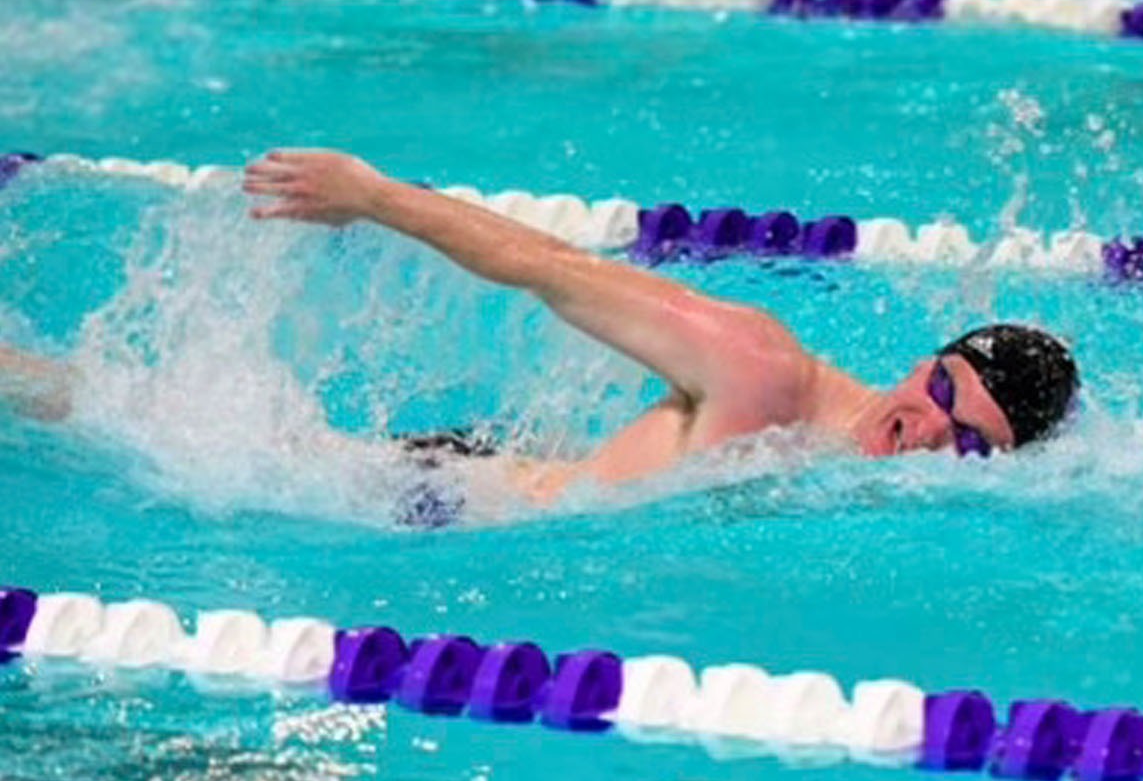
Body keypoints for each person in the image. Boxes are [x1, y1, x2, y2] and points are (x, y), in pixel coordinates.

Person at [3, 150, 1080, 525]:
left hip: (489, 492)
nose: (928, 431)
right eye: (944, 394)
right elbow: (550, 268)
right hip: (421, 497)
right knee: (104, 412)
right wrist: (373, 196)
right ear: (929, 361)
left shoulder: (869, 486)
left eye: (968, 443)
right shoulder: (759, 369)